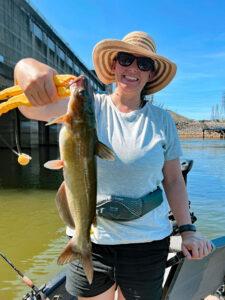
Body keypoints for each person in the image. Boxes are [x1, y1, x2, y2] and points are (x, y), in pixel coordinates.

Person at [14, 31, 212, 300]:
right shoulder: (86, 104)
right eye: (126, 59)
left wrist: (187, 230)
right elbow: (31, 109)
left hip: (148, 242)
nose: (133, 69)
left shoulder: (163, 120)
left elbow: (174, 180)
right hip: (91, 241)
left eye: (143, 64)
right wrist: (24, 67)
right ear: (113, 65)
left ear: (151, 74)